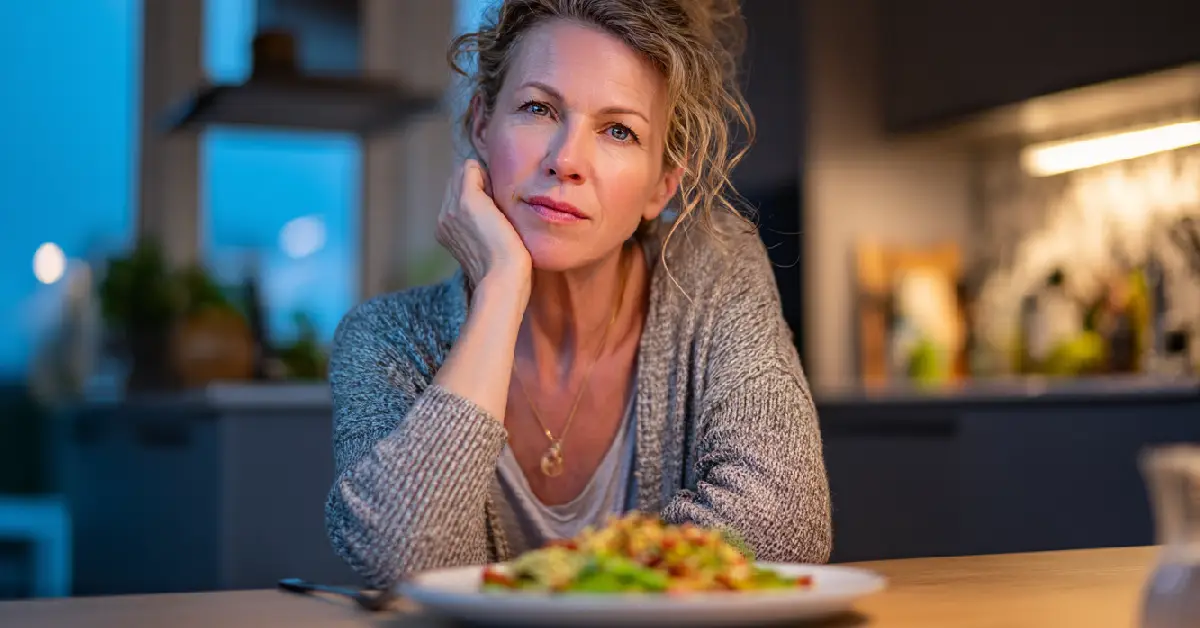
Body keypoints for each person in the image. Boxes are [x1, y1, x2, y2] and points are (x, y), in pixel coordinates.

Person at [324, 0, 831, 589]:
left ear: (661, 185)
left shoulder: (714, 272)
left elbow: (788, 525)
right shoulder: (383, 339)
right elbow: (399, 555)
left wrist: (560, 583)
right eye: (538, 108)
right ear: (481, 126)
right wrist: (501, 289)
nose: (565, 160)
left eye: (619, 131)